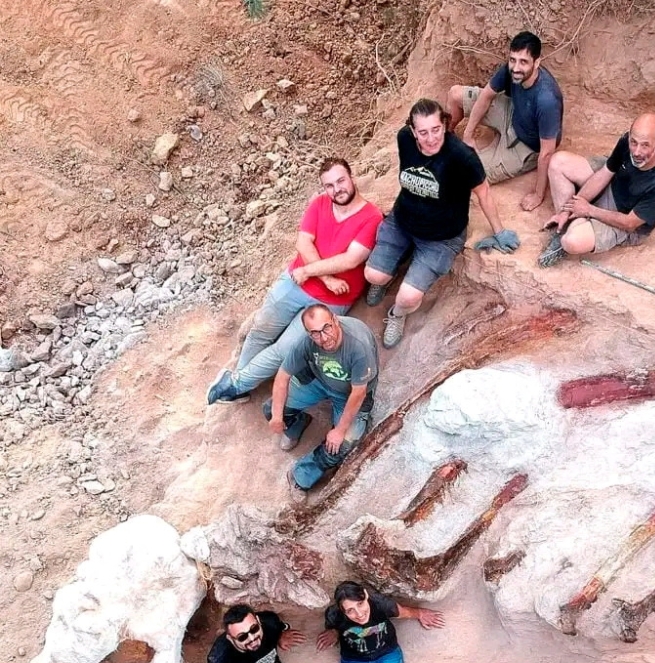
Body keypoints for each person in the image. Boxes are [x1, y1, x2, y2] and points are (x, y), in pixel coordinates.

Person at [207, 157, 383, 404]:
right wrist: (325, 277)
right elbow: (302, 242)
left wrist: (312, 273)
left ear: (351, 178)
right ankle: (243, 385)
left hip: (330, 299)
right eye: (329, 185)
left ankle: (235, 385)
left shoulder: (371, 216)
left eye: (341, 181)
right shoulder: (320, 203)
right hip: (297, 280)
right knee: (261, 330)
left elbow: (351, 259)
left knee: (285, 349)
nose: (337, 189)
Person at [364, 98, 520, 350]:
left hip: (441, 237)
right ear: (413, 131)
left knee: (408, 297)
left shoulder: (461, 157)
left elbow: (484, 193)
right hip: (403, 220)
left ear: (445, 125)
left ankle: (398, 314)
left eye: (436, 130)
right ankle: (392, 270)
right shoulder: (404, 139)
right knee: (373, 275)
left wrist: (499, 231)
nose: (431, 138)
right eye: (423, 132)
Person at [537, 113, 655, 268]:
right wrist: (569, 209)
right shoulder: (627, 141)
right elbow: (606, 172)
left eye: (645, 145)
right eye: (634, 142)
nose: (637, 152)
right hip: (614, 185)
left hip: (625, 219)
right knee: (558, 162)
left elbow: (629, 223)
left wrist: (589, 210)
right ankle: (567, 220)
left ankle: (570, 229)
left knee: (571, 242)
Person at [264, 304, 378, 498]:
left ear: (335, 320)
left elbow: (358, 393)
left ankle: (300, 476)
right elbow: (282, 376)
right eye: (315, 333)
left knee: (339, 447)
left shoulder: (357, 346)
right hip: (320, 382)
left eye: (327, 328)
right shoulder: (307, 343)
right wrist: (276, 416)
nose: (324, 338)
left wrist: (340, 430)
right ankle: (297, 425)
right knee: (272, 408)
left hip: (350, 394)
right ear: (308, 334)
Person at [446, 31, 563, 212]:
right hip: (513, 112)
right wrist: (468, 136)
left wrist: (538, 195)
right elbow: (486, 96)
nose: (516, 67)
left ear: (537, 62)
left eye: (523, 62)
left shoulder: (547, 100)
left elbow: (547, 153)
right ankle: (448, 133)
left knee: (461, 172)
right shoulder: (513, 71)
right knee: (455, 94)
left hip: (526, 145)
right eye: (513, 59)